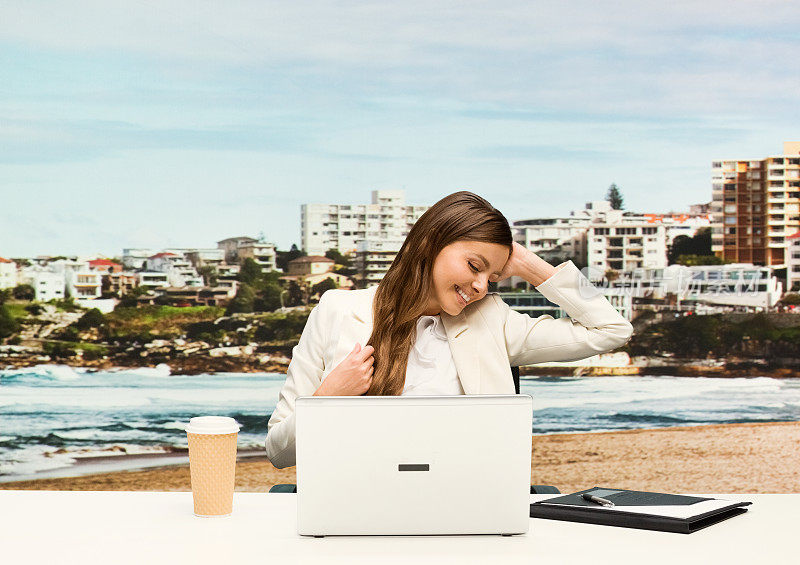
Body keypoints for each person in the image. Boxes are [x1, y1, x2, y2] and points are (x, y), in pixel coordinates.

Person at [265, 191, 633, 468]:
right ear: (430, 243)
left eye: (492, 276)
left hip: (468, 508)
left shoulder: (492, 320)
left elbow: (610, 330)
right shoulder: (338, 310)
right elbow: (278, 452)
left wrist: (527, 263)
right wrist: (327, 398)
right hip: (356, 509)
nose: (481, 286)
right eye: (474, 265)